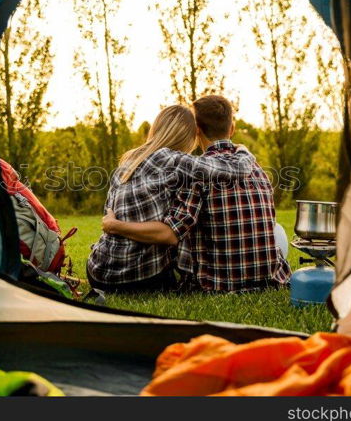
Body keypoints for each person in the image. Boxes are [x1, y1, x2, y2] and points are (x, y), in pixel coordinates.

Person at [103, 95, 291, 292]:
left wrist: (117, 225)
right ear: (232, 129)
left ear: (197, 130)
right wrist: (244, 152)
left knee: (183, 227)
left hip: (215, 282)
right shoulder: (258, 170)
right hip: (268, 276)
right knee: (277, 230)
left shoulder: (193, 174)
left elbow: (173, 231)